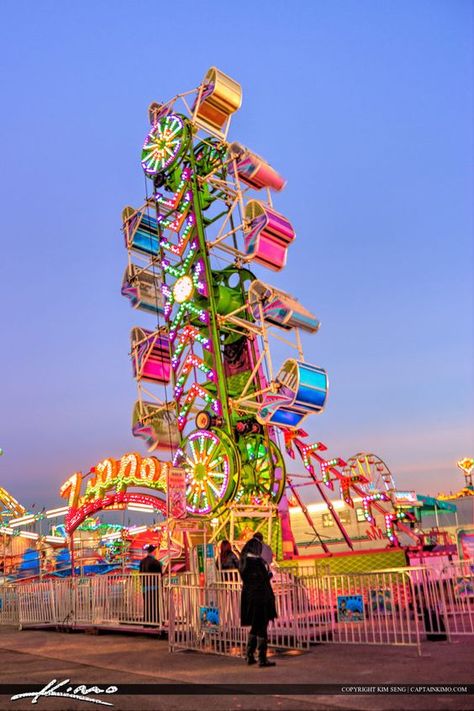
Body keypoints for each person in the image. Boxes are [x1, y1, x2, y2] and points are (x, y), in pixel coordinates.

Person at [239, 537, 277, 667]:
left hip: (250, 599)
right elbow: (262, 579)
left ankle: (249, 654)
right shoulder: (257, 563)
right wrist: (270, 575)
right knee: (262, 627)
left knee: (255, 626)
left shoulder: (244, 563)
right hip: (261, 598)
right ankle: (262, 657)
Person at [139, 544, 163, 624]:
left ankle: (147, 622)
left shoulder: (142, 562)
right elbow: (160, 575)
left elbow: (140, 575)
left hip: (145, 587)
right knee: (155, 605)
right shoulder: (156, 562)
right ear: (153, 551)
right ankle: (155, 622)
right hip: (155, 587)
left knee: (147, 605)